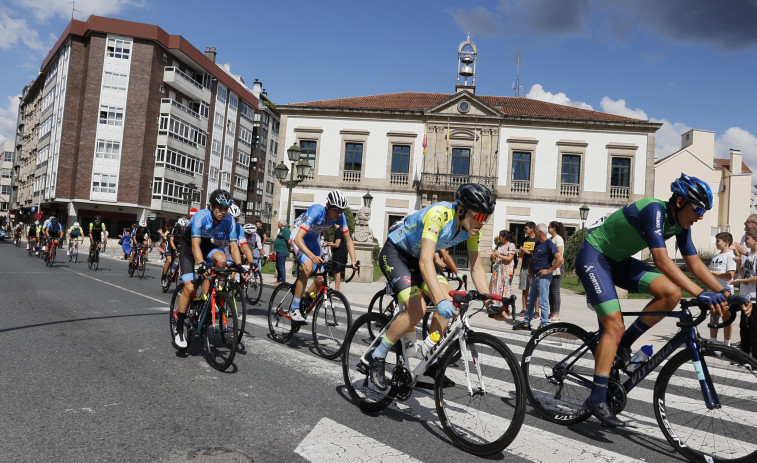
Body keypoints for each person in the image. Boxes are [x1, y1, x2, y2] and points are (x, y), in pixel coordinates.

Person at [575, 173, 748, 428]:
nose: (701, 215)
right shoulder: (654, 210)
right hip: (595, 257)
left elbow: (695, 264)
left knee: (672, 294)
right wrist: (700, 294)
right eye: (698, 209)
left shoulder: (681, 225)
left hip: (619, 262)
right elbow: (662, 261)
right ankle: (596, 397)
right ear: (679, 202)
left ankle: (624, 345)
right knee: (614, 325)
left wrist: (727, 294)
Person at [369, 183, 496, 390]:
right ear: (462, 209)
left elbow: (477, 268)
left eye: (486, 217)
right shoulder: (439, 214)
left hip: (420, 259)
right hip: (397, 254)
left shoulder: (471, 230)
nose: (483, 223)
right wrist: (439, 300)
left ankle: (429, 357)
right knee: (417, 309)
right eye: (480, 216)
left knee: (450, 300)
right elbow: (426, 261)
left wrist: (490, 302)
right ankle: (378, 354)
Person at [173, 189, 244, 348]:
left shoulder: (229, 221)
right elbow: (195, 245)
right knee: (190, 288)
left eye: (226, 209)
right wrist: (201, 264)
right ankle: (178, 327)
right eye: (220, 208)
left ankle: (205, 299)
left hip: (205, 244)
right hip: (188, 246)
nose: (223, 212)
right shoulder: (201, 216)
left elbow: (233, 247)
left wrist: (239, 265)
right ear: (211, 207)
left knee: (222, 260)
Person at [289, 190, 359, 322]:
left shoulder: (340, 217)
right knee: (308, 268)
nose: (339, 213)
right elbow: (298, 239)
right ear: (328, 205)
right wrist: (311, 255)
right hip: (299, 237)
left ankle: (304, 301)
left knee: (320, 279)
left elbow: (348, 240)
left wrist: (354, 261)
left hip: (313, 241)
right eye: (336, 210)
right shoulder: (316, 211)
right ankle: (294, 307)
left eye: (342, 210)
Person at [514, 223, 563, 331]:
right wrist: (531, 270)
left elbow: (560, 259)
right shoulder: (537, 244)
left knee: (543, 301)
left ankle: (543, 325)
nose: (534, 232)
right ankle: (526, 323)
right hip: (536, 276)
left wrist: (549, 270)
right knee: (531, 300)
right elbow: (533, 257)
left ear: (540, 232)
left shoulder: (549, 244)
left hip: (544, 277)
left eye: (535, 230)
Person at [730, 228, 757, 358]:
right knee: (744, 328)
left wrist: (742, 280)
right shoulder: (749, 256)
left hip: (754, 298)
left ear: (755, 240)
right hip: (745, 297)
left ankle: (754, 358)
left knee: (754, 329)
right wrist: (739, 264)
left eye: (747, 239)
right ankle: (744, 356)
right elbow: (743, 273)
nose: (745, 242)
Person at [707, 232, 737, 346]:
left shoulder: (730, 256)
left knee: (726, 317)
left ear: (726, 242)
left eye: (718, 241)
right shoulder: (715, 256)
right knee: (714, 315)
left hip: (725, 292)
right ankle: (713, 341)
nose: (716, 243)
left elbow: (730, 275)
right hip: (713, 292)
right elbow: (709, 274)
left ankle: (726, 343)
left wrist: (712, 272)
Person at [488, 229, 516, 300]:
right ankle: (495, 302)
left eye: (500, 236)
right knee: (496, 284)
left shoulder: (511, 245)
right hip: (498, 268)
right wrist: (492, 254)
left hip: (506, 268)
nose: (499, 237)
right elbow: (495, 258)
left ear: (505, 237)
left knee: (505, 284)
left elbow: (510, 258)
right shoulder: (499, 245)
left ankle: (504, 303)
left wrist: (498, 255)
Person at [547, 221, 567, 322]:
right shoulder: (551, 239)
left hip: (557, 266)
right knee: (550, 292)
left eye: (549, 227)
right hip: (551, 266)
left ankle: (556, 314)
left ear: (554, 228)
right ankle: (551, 312)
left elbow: (559, 253)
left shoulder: (558, 239)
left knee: (555, 291)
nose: (548, 228)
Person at [517, 222, 537, 317]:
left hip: (534, 268)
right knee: (524, 289)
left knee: (535, 290)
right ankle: (524, 309)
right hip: (524, 267)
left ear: (532, 229)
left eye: (526, 229)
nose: (525, 231)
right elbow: (520, 256)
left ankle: (536, 311)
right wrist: (521, 252)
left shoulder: (537, 240)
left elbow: (536, 255)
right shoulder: (524, 240)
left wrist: (527, 251)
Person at [324, 224, 350, 291]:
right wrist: (329, 243)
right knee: (335, 270)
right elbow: (337, 242)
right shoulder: (341, 230)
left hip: (339, 252)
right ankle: (339, 288)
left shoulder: (338, 230)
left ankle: (337, 290)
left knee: (337, 271)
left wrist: (327, 244)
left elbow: (336, 244)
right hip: (341, 251)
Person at [161, 219, 187, 284]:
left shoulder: (185, 230)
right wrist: (175, 250)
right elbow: (171, 241)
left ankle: (175, 271)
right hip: (170, 243)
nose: (182, 228)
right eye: (181, 227)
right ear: (178, 225)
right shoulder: (174, 229)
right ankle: (163, 277)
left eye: (184, 227)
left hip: (178, 243)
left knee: (181, 259)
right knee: (169, 260)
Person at [273, 219, 291, 285]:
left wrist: (289, 249)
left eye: (278, 223)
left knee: (281, 265)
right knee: (277, 265)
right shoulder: (281, 230)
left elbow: (288, 241)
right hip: (278, 250)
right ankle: (278, 280)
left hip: (283, 251)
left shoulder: (286, 230)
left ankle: (282, 280)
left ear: (281, 224)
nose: (278, 224)